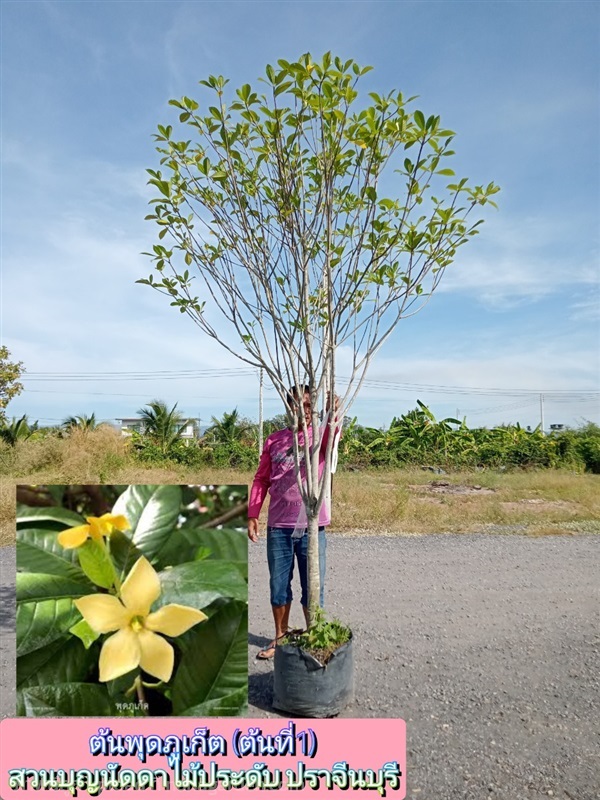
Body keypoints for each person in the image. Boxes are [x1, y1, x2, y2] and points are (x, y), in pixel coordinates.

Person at [248, 384, 339, 660]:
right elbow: (261, 479)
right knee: (278, 586)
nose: (304, 411)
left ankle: (314, 639)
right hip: (278, 526)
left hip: (312, 526)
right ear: (289, 407)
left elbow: (333, 438)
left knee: (312, 586)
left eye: (309, 406)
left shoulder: (319, 437)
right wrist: (252, 513)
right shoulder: (274, 441)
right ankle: (281, 637)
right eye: (298, 404)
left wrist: (333, 414)